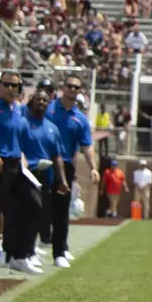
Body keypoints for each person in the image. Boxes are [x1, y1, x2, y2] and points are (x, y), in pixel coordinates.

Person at [47, 75, 96, 267]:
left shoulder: (80, 119)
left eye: (76, 87)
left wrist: (93, 168)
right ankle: (24, 250)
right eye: (69, 86)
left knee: (61, 211)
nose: (72, 90)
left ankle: (59, 251)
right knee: (36, 207)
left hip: (65, 166)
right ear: (63, 88)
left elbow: (87, 145)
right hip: (43, 162)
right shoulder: (48, 108)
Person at [16, 83, 62, 274]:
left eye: (45, 100)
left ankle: (27, 251)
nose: (41, 102)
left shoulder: (52, 128)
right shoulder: (23, 123)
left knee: (39, 215)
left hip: (46, 176)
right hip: (26, 174)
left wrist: (63, 180)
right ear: (32, 101)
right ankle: (20, 254)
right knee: (25, 214)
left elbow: (57, 155)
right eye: (38, 99)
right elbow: (16, 146)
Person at [0, 71, 27, 272]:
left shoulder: (19, 110)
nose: (11, 89)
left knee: (22, 208)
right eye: (7, 84)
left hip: (16, 164)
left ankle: (15, 255)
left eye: (15, 85)